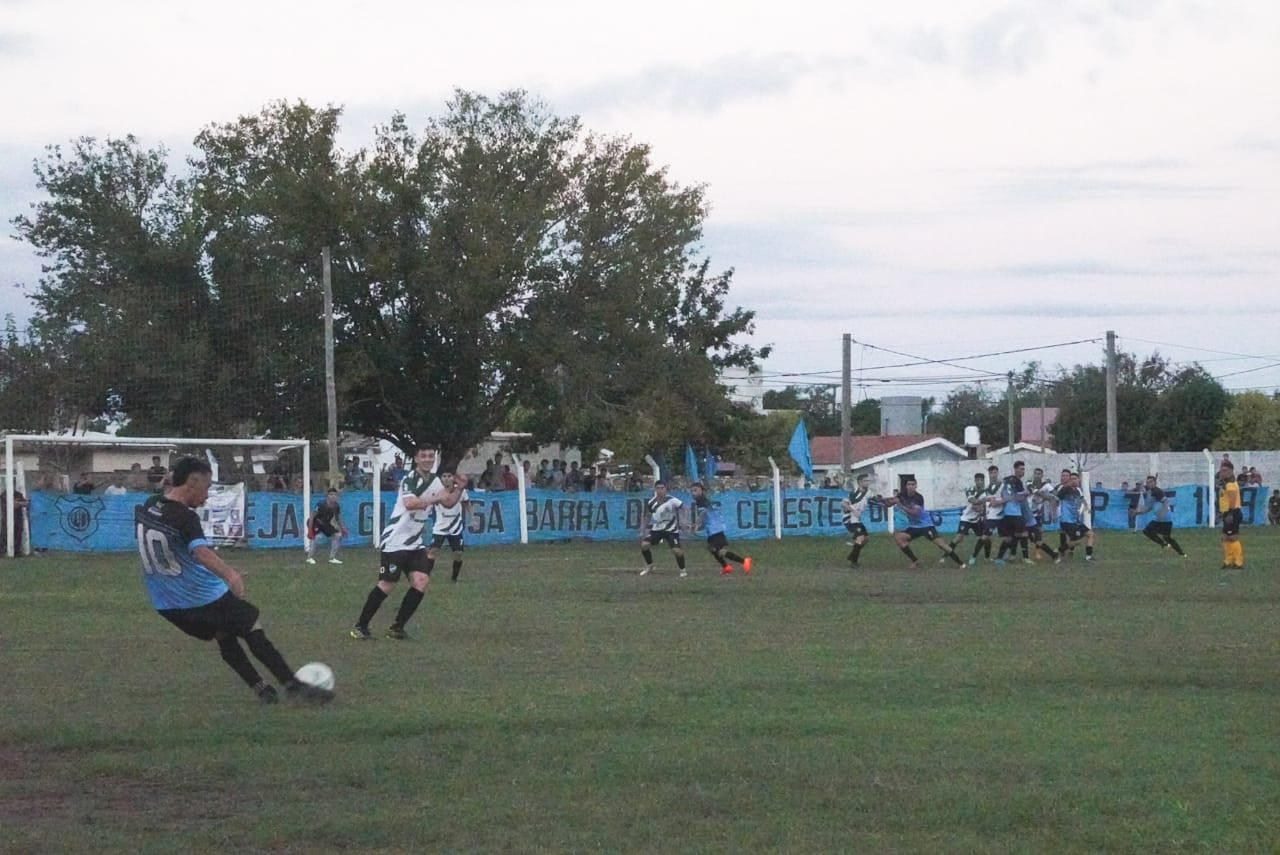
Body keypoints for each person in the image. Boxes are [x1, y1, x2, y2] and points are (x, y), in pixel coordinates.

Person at [135, 457, 332, 704]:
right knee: (251, 625)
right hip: (197, 597)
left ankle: (262, 689)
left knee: (224, 634)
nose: (206, 497)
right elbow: (201, 552)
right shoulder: (185, 517)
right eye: (206, 488)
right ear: (192, 482)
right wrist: (230, 574)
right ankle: (292, 685)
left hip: (165, 604)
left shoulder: (149, 507)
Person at [350, 445, 463, 640]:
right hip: (396, 540)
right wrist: (437, 498)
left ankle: (397, 628)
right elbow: (411, 504)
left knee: (421, 581)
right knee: (387, 585)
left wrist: (459, 488)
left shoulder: (435, 481)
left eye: (431, 456)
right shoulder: (409, 479)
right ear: (416, 459)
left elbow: (449, 502)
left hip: (414, 542)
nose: (428, 459)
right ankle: (360, 626)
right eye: (424, 456)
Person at [880, 478, 965, 569]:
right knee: (899, 538)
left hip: (925, 525)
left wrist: (900, 505)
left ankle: (961, 563)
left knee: (941, 545)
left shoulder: (918, 497)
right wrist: (882, 501)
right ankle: (915, 561)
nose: (911, 487)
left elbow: (914, 513)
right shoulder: (902, 495)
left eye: (913, 484)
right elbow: (890, 503)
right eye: (909, 484)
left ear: (916, 486)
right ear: (906, 486)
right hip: (914, 526)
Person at [690, 481, 751, 576]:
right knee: (711, 548)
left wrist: (696, 525)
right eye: (692, 491)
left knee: (720, 551)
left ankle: (744, 561)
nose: (693, 493)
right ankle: (726, 567)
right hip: (713, 529)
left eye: (695, 490)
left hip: (715, 529)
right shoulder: (702, 500)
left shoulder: (701, 500)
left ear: (701, 491)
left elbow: (703, 513)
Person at [425, 470, 471, 582]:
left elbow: (467, 502)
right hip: (440, 527)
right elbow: (429, 504)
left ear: (453, 478)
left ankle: (454, 578)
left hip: (455, 528)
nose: (446, 478)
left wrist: (472, 516)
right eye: (444, 476)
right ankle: (425, 576)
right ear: (441, 478)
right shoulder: (437, 492)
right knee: (432, 551)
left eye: (449, 476)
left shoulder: (460, 491)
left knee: (458, 553)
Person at [1131, 475, 1188, 558]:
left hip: (1165, 519)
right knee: (1149, 531)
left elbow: (1166, 502)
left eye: (1151, 482)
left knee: (1164, 536)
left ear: (1155, 482)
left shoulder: (1157, 491)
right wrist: (1137, 513)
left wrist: (1162, 513)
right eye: (1148, 482)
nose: (1148, 484)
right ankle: (1176, 550)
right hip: (1159, 519)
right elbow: (1148, 508)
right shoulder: (1150, 493)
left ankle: (1180, 552)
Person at [639, 480, 687, 577]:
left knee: (676, 551)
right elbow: (648, 516)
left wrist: (683, 521)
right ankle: (650, 565)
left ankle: (683, 570)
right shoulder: (651, 502)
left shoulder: (672, 500)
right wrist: (642, 529)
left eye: (662, 488)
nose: (660, 490)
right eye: (658, 488)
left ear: (666, 489)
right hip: (657, 529)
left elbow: (684, 508)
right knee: (644, 545)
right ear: (655, 489)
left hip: (671, 530)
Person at [992, 461, 1031, 565]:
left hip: (1006, 513)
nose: (1023, 471)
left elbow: (1002, 494)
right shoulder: (1017, 481)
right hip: (1015, 512)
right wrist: (1026, 493)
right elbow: (1018, 497)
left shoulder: (1006, 480)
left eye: (1023, 469)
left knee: (1010, 537)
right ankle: (1025, 557)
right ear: (1016, 469)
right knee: (1023, 534)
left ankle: (1001, 558)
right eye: (1021, 469)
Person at [947, 472, 989, 566]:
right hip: (966, 518)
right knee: (959, 538)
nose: (980, 482)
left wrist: (983, 509)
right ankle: (945, 555)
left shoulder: (986, 492)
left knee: (984, 538)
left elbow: (983, 508)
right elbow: (972, 501)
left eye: (982, 480)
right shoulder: (970, 490)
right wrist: (982, 502)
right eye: (978, 480)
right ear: (975, 481)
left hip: (977, 520)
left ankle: (981, 557)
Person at [1053, 470, 1095, 561]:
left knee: (1090, 534)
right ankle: (1058, 550)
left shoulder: (1077, 490)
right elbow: (1055, 499)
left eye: (1075, 479)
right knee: (1076, 540)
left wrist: (1087, 506)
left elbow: (1081, 498)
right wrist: (1054, 513)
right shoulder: (1065, 489)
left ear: (1079, 480)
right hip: (1066, 520)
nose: (1073, 481)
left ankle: (1088, 557)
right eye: (1071, 479)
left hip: (1075, 520)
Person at [841, 473, 876, 568]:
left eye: (868, 481)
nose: (867, 483)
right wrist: (853, 510)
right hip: (849, 519)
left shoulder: (868, 492)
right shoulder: (854, 493)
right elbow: (843, 504)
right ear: (860, 482)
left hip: (856, 520)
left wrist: (886, 502)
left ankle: (852, 556)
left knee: (866, 539)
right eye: (865, 481)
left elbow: (875, 500)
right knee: (860, 538)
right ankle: (853, 562)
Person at [305, 488, 348, 565]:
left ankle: (332, 558)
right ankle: (309, 558)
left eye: (335, 495)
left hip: (325, 524)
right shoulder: (321, 504)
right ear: (327, 496)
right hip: (316, 522)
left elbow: (337, 518)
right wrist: (310, 530)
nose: (333, 496)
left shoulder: (336, 506)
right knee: (317, 538)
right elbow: (312, 516)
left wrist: (342, 528)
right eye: (331, 494)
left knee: (338, 535)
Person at [1217, 462, 1244, 569]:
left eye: (1225, 471)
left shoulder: (1231, 484)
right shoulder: (1226, 483)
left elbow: (1232, 500)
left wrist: (1230, 514)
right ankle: (1228, 560)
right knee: (1225, 537)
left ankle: (1238, 562)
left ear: (1231, 471)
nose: (1223, 473)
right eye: (1221, 470)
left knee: (1232, 537)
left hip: (1232, 512)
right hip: (1227, 512)